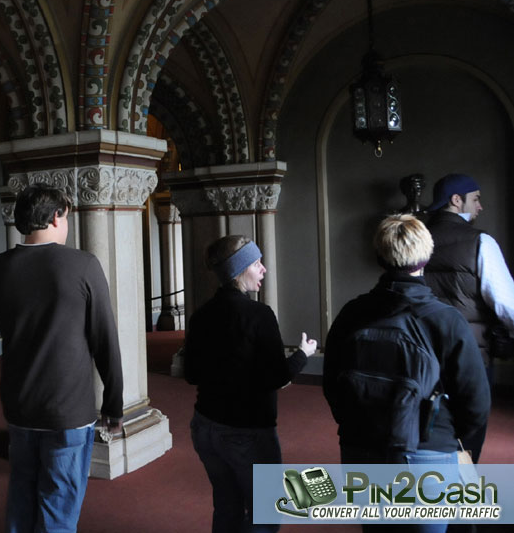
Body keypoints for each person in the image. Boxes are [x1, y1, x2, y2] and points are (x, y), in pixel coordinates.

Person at [323, 215, 490, 533]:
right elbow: (476, 403)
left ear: (379, 258)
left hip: (361, 451)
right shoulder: (446, 320)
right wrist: (456, 449)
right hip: (427, 454)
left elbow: (332, 387)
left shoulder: (352, 313)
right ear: (427, 257)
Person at [0, 185, 124, 533]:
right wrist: (114, 403)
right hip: (67, 407)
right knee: (58, 505)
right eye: (66, 216)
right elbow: (104, 338)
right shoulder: (82, 264)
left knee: (22, 495)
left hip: (19, 401)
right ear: (56, 215)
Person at [184, 235, 316, 533]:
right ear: (238, 270)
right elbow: (276, 377)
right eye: (256, 263)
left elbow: (191, 373)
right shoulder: (258, 315)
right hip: (247, 431)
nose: (264, 270)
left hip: (205, 427)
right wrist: (303, 355)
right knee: (265, 514)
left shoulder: (201, 315)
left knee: (227, 507)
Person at [423, 173, 514, 464]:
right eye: (475, 199)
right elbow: (505, 303)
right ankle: (460, 495)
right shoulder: (480, 242)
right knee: (468, 433)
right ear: (456, 200)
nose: (480, 206)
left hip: (421, 352)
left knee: (426, 430)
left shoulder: (416, 238)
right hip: (469, 354)